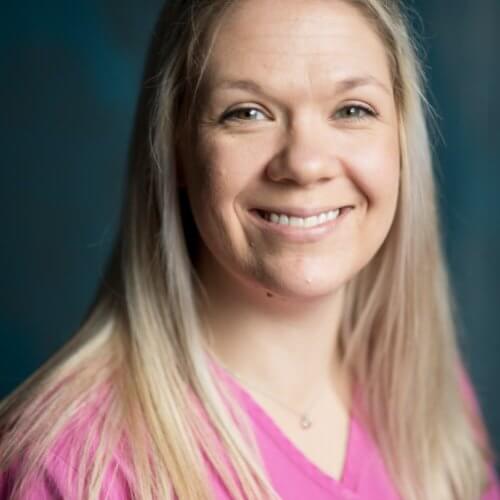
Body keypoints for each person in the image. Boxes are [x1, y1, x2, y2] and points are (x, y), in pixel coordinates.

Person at [0, 0, 498, 498]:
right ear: (175, 147)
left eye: (352, 109)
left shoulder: (426, 398)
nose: (304, 164)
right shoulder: (69, 466)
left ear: (401, 141)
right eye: (247, 112)